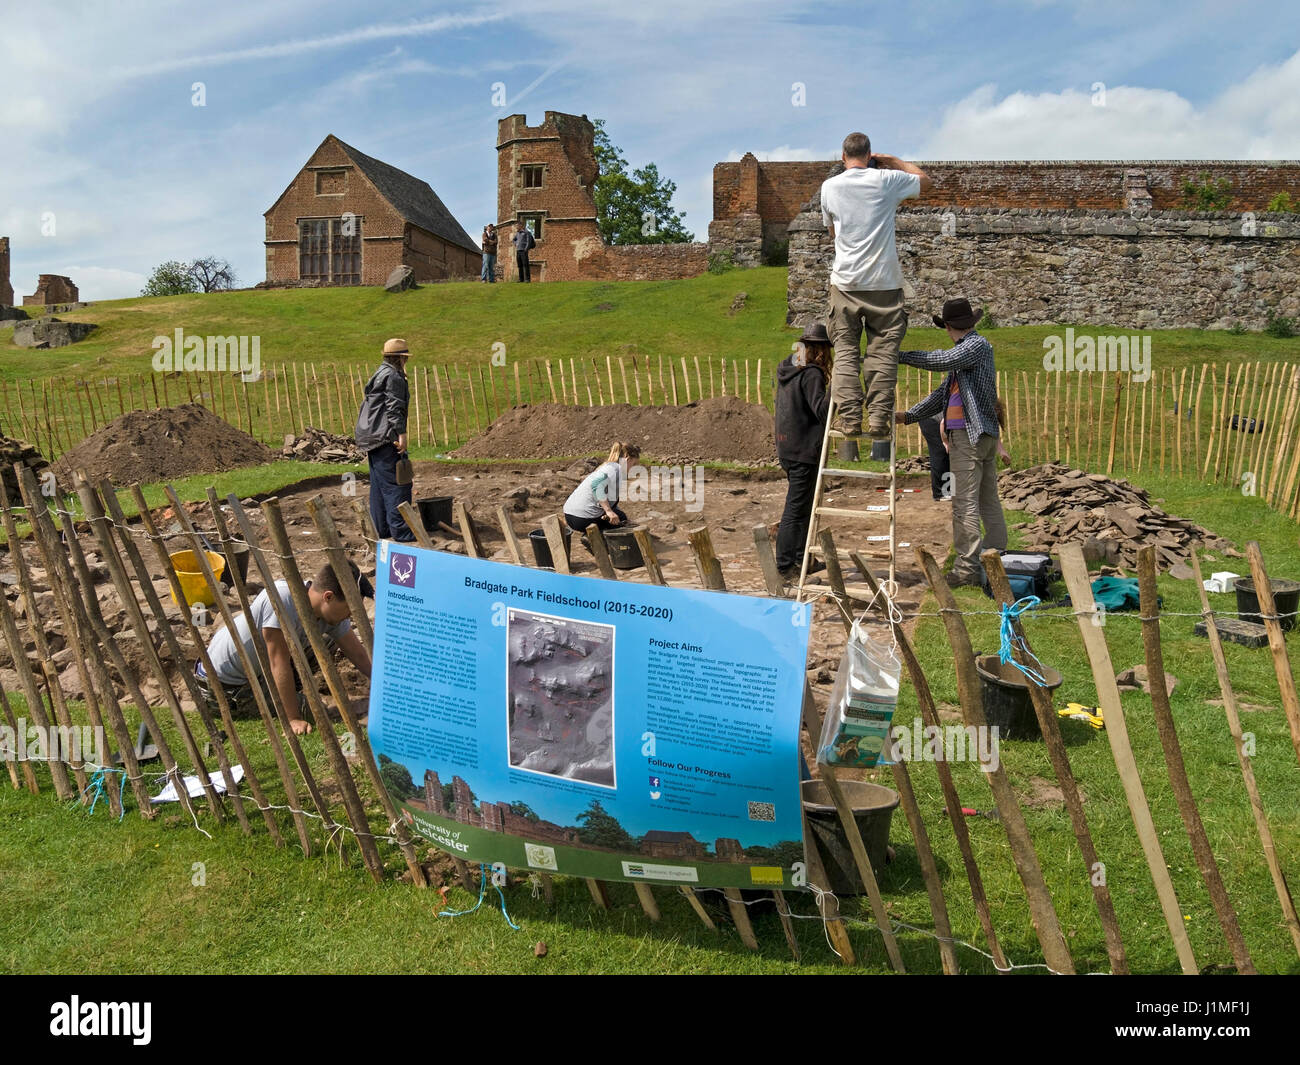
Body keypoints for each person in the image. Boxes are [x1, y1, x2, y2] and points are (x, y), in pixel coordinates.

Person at [821, 132, 932, 439]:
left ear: (843, 157)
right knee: (882, 354)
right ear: (870, 155)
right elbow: (925, 181)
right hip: (885, 282)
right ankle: (879, 421)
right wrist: (894, 161)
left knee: (844, 352)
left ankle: (851, 420)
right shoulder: (886, 180)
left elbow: (832, 233)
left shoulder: (829, 187)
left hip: (845, 282)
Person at [895, 298, 1006, 587]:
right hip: (979, 434)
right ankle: (997, 559)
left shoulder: (973, 347)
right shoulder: (965, 357)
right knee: (985, 500)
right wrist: (908, 416)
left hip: (969, 436)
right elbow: (940, 395)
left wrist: (900, 355)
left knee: (965, 504)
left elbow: (938, 360)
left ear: (947, 326)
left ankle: (968, 571)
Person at [198, 561, 372, 736]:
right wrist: (293, 718)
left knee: (327, 642)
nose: (349, 615)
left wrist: (388, 688)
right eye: (348, 609)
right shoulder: (282, 599)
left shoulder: (331, 616)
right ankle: (287, 699)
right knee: (314, 711)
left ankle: (285, 693)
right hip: (224, 688)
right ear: (328, 597)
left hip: (257, 672)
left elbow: (358, 654)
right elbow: (278, 663)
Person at [774, 322, 833, 579]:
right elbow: (821, 411)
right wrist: (836, 389)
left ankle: (802, 558)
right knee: (796, 508)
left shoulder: (790, 367)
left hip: (788, 446)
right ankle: (786, 565)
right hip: (803, 449)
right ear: (820, 349)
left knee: (804, 507)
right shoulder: (811, 374)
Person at [355, 337, 414, 543]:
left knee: (379, 486)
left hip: (371, 437)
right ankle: (402, 532)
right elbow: (394, 408)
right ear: (400, 358)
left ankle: (383, 529)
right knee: (397, 483)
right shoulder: (394, 377)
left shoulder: (379, 373)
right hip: (385, 436)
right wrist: (401, 435)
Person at [564, 443, 642, 533]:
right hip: (583, 518)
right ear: (627, 458)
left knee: (620, 516)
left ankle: (594, 537)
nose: (632, 468)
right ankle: (597, 540)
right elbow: (596, 486)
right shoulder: (617, 469)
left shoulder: (607, 466)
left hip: (570, 515)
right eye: (634, 464)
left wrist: (613, 512)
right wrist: (608, 511)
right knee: (621, 523)